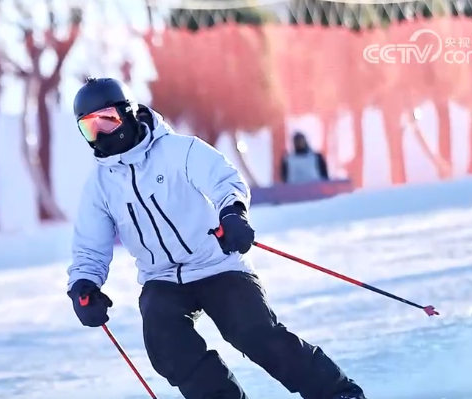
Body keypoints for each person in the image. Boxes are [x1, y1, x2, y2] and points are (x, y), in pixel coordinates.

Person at [65, 77, 366, 399]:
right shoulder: (100, 185)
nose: (100, 134)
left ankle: (336, 393)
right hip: (162, 278)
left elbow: (225, 182)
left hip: (217, 264)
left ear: (128, 113)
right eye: (88, 127)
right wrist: (84, 285)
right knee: (166, 344)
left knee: (254, 332)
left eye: (107, 120)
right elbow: (89, 247)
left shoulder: (180, 150)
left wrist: (233, 214)